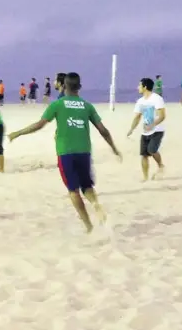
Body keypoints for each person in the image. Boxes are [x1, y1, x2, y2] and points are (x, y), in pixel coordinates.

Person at [9, 72, 122, 234]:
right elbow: (103, 130)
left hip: (65, 152)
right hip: (84, 152)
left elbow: (39, 125)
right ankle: (96, 204)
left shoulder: (57, 105)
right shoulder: (87, 105)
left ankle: (89, 226)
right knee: (87, 186)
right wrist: (114, 148)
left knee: (73, 191)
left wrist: (18, 133)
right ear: (79, 87)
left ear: (64, 86)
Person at [127, 77, 166, 182]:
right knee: (144, 155)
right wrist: (131, 129)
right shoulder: (140, 101)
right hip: (145, 131)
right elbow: (137, 116)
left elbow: (162, 116)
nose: (138, 87)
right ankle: (145, 177)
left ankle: (161, 165)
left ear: (145, 87)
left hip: (157, 130)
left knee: (152, 150)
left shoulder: (157, 99)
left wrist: (152, 125)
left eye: (139, 85)